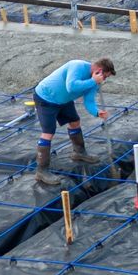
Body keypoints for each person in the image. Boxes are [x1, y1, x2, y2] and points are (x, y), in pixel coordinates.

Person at [31, 57, 116, 186]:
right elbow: (71, 87)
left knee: (75, 121)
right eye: (105, 76)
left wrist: (97, 112)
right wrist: (92, 80)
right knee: (48, 132)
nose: (104, 80)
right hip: (46, 98)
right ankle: (41, 171)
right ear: (99, 70)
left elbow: (89, 101)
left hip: (63, 100)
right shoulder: (77, 66)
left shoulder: (95, 81)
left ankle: (79, 152)